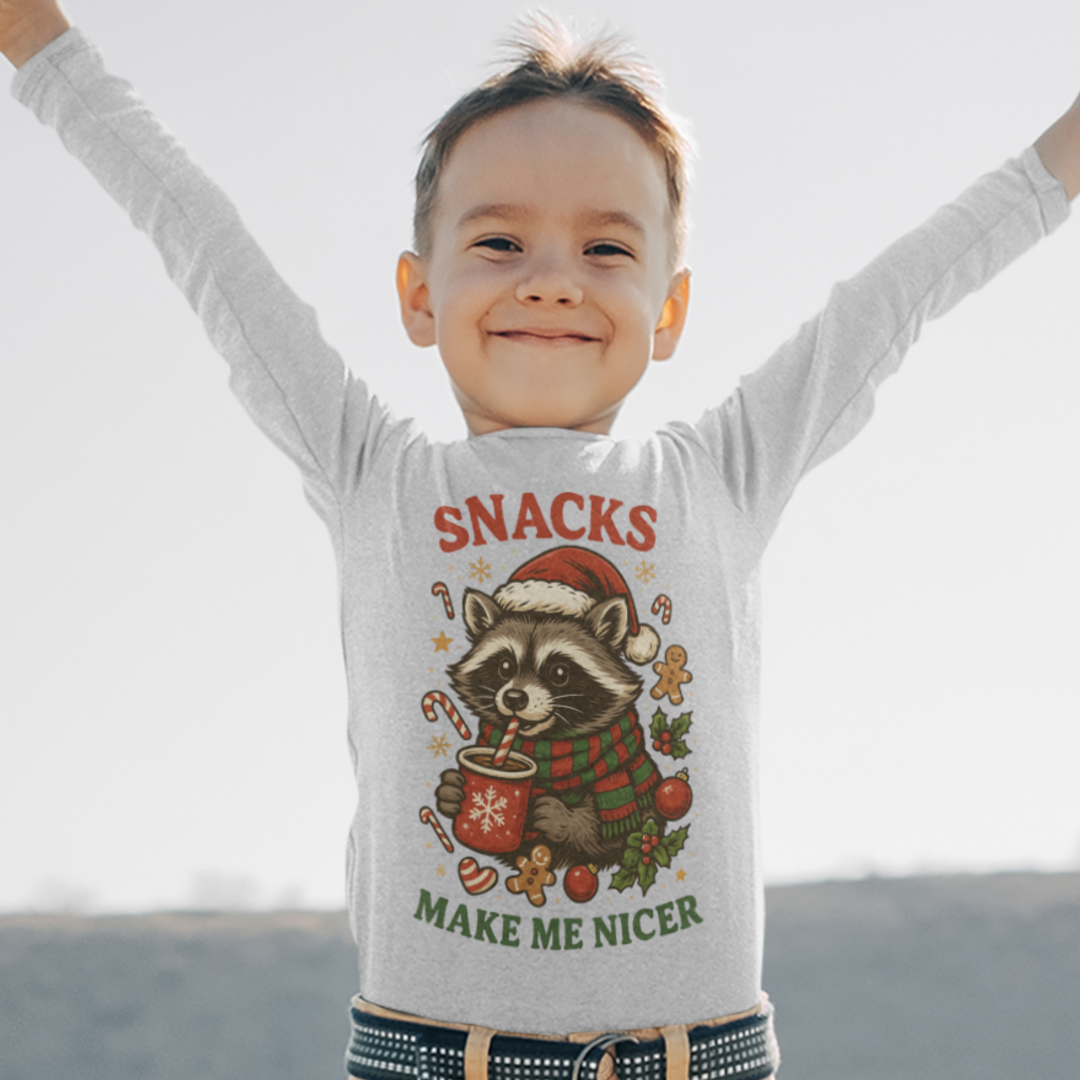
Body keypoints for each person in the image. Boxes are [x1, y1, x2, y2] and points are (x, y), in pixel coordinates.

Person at [3, 2, 1079, 1078]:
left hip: (696, 1058)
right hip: (429, 1057)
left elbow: (897, 295)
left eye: (606, 246)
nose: (552, 277)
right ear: (419, 295)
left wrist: (1059, 160)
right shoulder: (372, 471)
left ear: (671, 311)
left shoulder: (723, 474)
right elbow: (200, 238)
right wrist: (44, 48)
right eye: (500, 240)